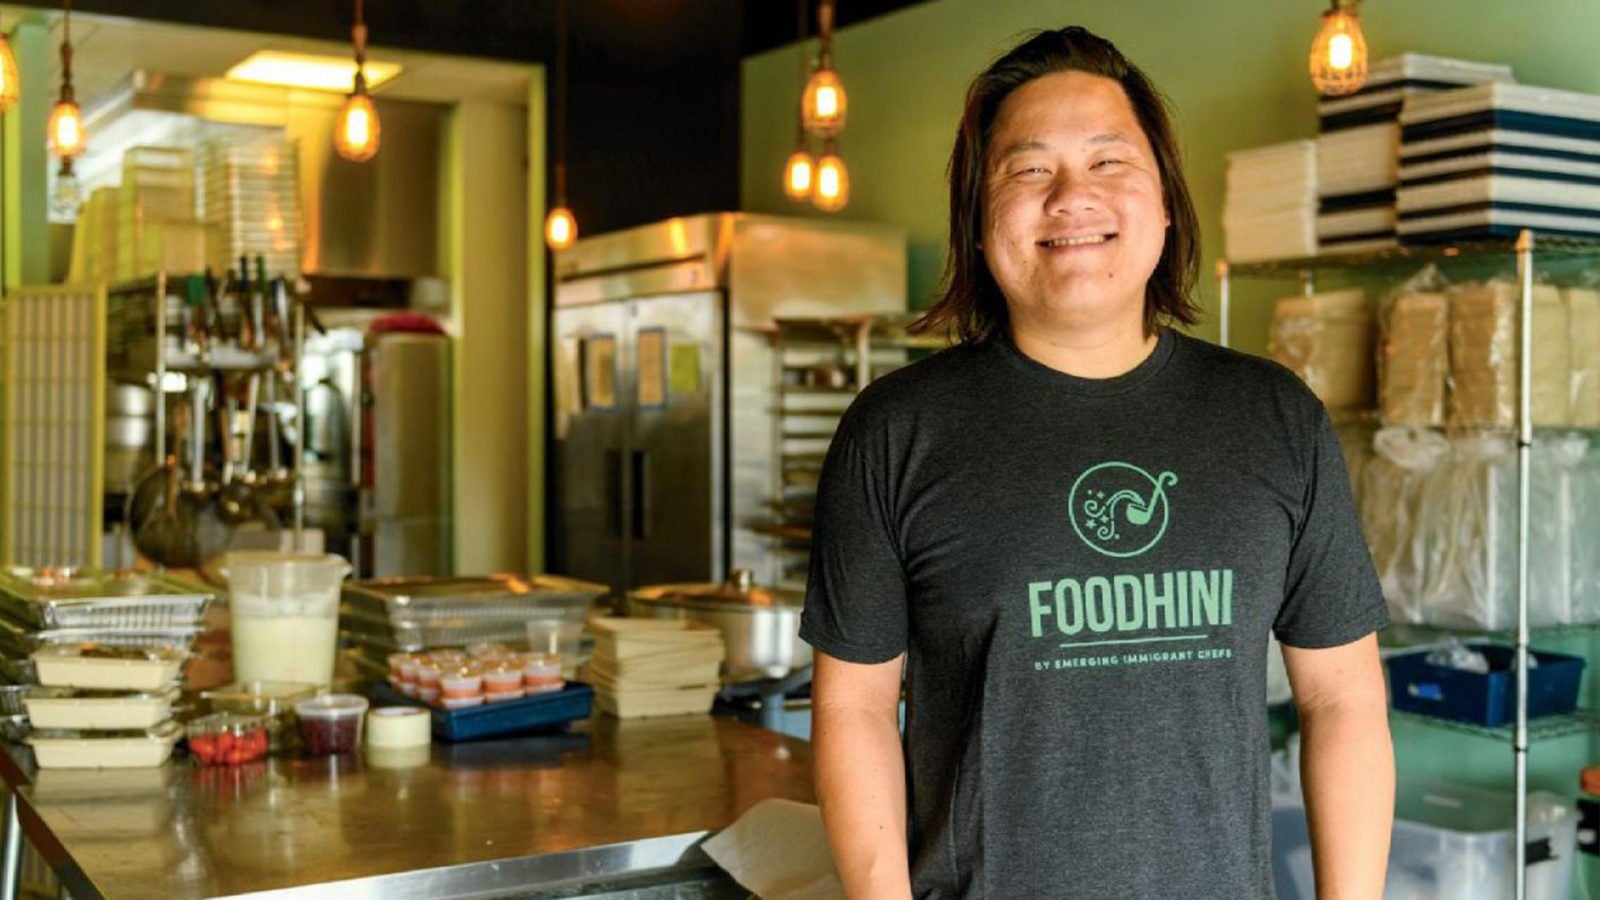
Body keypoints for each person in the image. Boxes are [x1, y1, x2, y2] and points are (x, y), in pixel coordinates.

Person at [800, 25, 1394, 899]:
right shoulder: (897, 430)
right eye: (1029, 169)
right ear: (978, 219)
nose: (1071, 196)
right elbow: (853, 707)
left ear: (1163, 206)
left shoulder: (1273, 418)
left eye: (1109, 162)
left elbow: (1342, 698)